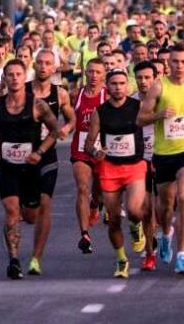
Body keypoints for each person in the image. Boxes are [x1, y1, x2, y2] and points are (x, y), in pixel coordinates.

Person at [0, 60, 59, 279]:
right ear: (4, 78)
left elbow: (54, 130)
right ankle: (14, 261)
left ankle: (31, 254)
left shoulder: (37, 105)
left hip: (31, 168)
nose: (14, 78)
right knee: (11, 209)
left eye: (18, 74)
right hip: (8, 167)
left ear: (24, 76)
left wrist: (41, 152)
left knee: (31, 216)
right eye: (10, 74)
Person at [137, 44, 184, 275]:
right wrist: (158, 115)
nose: (179, 66)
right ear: (169, 63)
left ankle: (183, 255)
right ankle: (166, 234)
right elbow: (140, 119)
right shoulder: (158, 87)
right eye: (175, 62)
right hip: (164, 153)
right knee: (165, 206)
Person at [84, 69, 149, 278]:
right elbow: (88, 144)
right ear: (107, 86)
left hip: (135, 166)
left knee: (134, 210)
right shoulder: (100, 112)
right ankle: (122, 259)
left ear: (127, 86)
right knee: (113, 220)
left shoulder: (137, 107)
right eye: (114, 84)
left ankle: (136, 225)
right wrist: (96, 151)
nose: (118, 87)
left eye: (122, 83)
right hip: (110, 168)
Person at [25, 50, 76, 275]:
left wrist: (65, 128)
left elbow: (71, 117)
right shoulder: (22, 90)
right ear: (34, 65)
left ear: (55, 68)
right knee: (30, 214)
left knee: (46, 204)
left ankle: (36, 258)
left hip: (47, 155)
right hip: (24, 155)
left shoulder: (60, 93)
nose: (44, 67)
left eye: (48, 63)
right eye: (40, 63)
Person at [70, 59, 107, 254]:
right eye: (91, 72)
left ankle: (96, 204)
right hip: (81, 148)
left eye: (98, 72)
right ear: (85, 72)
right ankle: (84, 234)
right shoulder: (76, 94)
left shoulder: (107, 95)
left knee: (99, 190)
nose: (94, 76)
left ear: (104, 74)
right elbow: (69, 117)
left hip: (101, 149)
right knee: (82, 187)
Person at [132, 61, 161, 271]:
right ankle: (150, 254)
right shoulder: (131, 102)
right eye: (140, 78)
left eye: (147, 77)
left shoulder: (163, 99)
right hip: (139, 158)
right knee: (144, 209)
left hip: (163, 155)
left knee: (163, 208)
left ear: (155, 78)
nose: (143, 82)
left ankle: (163, 235)